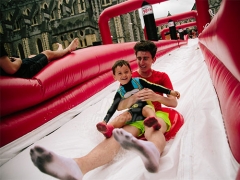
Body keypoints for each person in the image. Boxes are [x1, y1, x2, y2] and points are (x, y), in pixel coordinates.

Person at [30, 40, 179, 180]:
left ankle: (153, 151)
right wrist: (131, 101)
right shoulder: (129, 77)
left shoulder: (161, 77)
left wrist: (157, 97)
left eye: (145, 58)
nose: (141, 62)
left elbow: (173, 102)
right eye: (139, 58)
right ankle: (78, 166)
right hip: (135, 115)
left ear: (154, 59)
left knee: (152, 127)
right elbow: (119, 105)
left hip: (156, 112)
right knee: (115, 137)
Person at [96, 59, 180, 138]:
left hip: (145, 105)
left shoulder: (138, 81)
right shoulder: (120, 92)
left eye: (126, 72)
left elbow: (154, 86)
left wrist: (170, 92)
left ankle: (154, 121)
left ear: (131, 72)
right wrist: (105, 120)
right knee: (123, 116)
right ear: (114, 77)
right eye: (120, 73)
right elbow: (113, 107)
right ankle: (108, 128)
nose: (124, 75)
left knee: (147, 109)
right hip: (134, 111)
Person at [0, 38, 79, 78]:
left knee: (32, 57)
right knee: (47, 53)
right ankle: (66, 50)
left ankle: (58, 52)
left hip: (15, 72)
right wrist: (19, 61)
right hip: (22, 72)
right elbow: (12, 69)